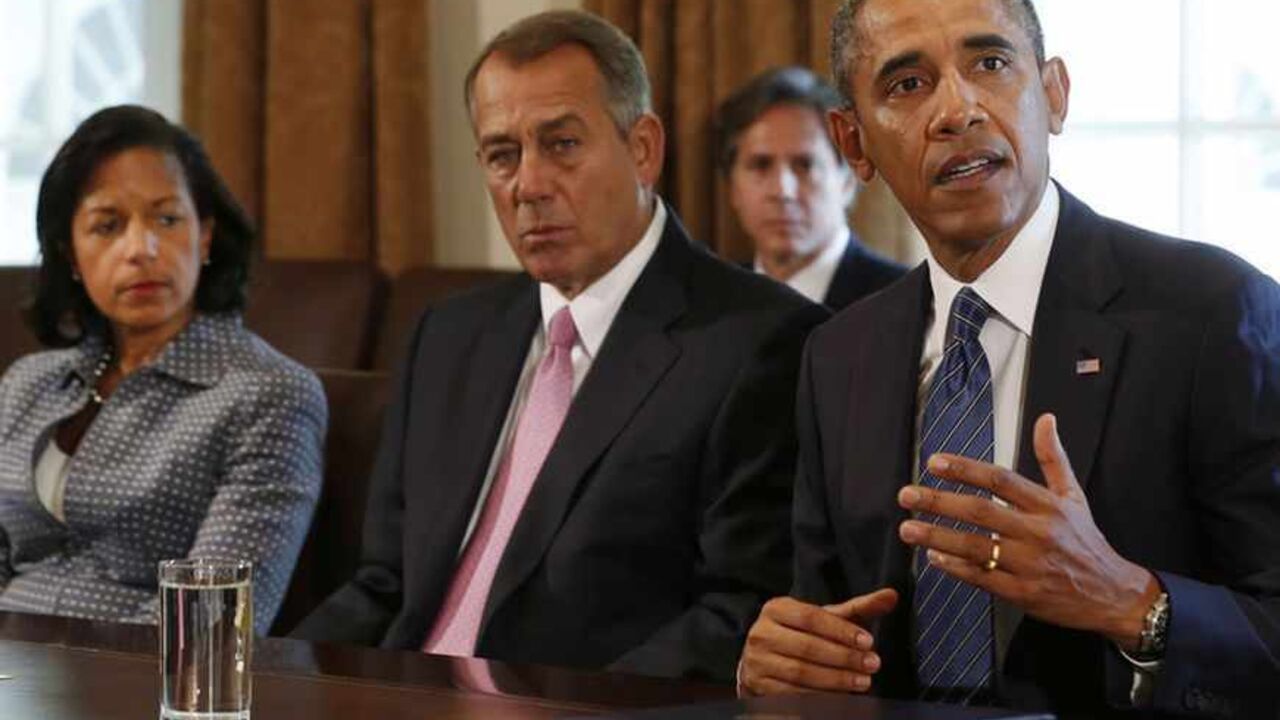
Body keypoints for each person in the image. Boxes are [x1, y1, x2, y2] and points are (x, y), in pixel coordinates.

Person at [738, 0, 1280, 717]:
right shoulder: (839, 355)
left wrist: (1137, 605)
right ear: (854, 142)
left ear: (1054, 94)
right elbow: (823, 620)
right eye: (907, 84)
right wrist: (782, 663)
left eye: (989, 64)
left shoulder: (1211, 311)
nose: (956, 111)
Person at [293, 10, 826, 681]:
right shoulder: (448, 337)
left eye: (562, 144)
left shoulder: (761, 341)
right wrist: (267, 677)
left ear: (643, 149)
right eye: (501, 154)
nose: (528, 185)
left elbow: (736, 615)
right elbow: (385, 584)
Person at [0, 105, 326, 635]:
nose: (141, 250)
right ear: (71, 255)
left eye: (167, 219)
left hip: (129, 689)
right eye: (107, 226)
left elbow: (210, 623)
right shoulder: (28, 384)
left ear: (205, 236)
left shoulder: (269, 394)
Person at [716, 66, 904, 310]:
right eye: (761, 165)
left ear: (847, 180)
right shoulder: (710, 302)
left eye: (804, 165)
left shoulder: (906, 302)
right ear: (733, 188)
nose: (783, 191)